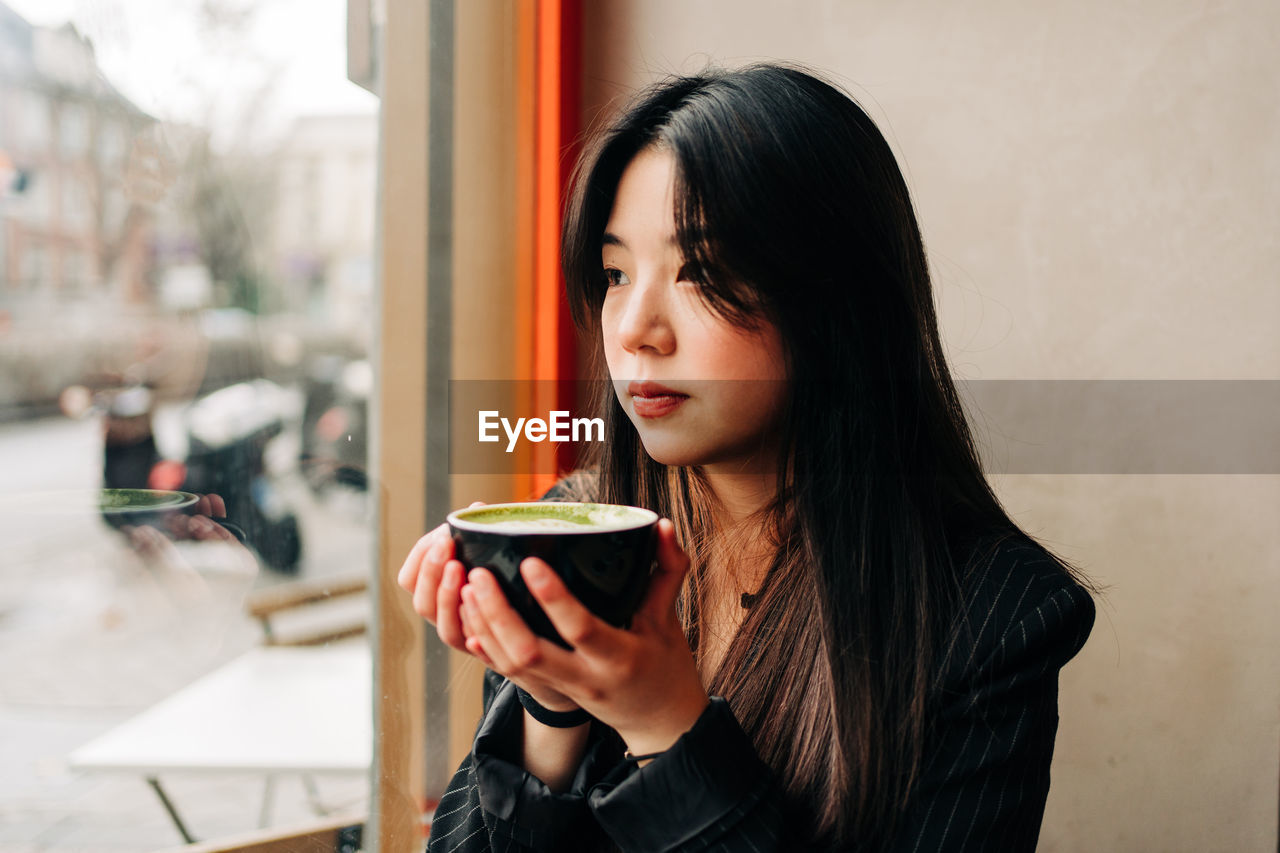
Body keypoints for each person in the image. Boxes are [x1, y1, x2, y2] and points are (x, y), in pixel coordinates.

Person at [399, 62, 1096, 852]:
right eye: (616, 273)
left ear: (833, 301)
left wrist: (665, 725)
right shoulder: (578, 532)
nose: (634, 329)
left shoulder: (995, 615)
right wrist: (548, 708)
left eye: (702, 271)